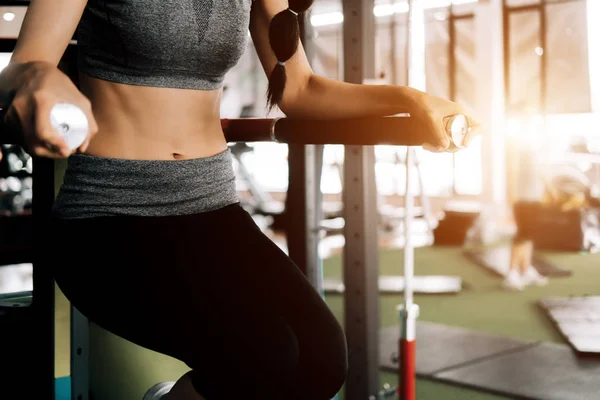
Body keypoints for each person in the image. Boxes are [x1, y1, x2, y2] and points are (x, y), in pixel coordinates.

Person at [0, 0, 479, 399]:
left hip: (212, 208)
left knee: (321, 360)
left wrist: (413, 100)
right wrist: (45, 82)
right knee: (264, 354)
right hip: (109, 216)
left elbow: (302, 89)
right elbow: (24, 65)